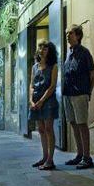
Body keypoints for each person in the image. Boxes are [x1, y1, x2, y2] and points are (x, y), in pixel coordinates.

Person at [63, 24, 94, 169]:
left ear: (78, 36)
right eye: (66, 33)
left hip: (80, 94)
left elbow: (93, 74)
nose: (67, 36)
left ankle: (87, 157)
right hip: (68, 94)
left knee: (82, 124)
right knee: (73, 123)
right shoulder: (69, 53)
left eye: (70, 33)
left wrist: (88, 92)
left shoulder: (84, 53)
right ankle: (79, 154)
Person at [29, 40, 59, 170]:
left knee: (48, 129)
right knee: (40, 129)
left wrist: (41, 101)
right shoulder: (34, 67)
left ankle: (50, 160)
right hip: (36, 101)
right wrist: (31, 100)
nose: (42, 50)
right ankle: (44, 156)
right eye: (40, 47)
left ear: (49, 51)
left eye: (45, 48)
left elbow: (52, 86)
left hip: (48, 101)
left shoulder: (54, 66)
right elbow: (31, 85)